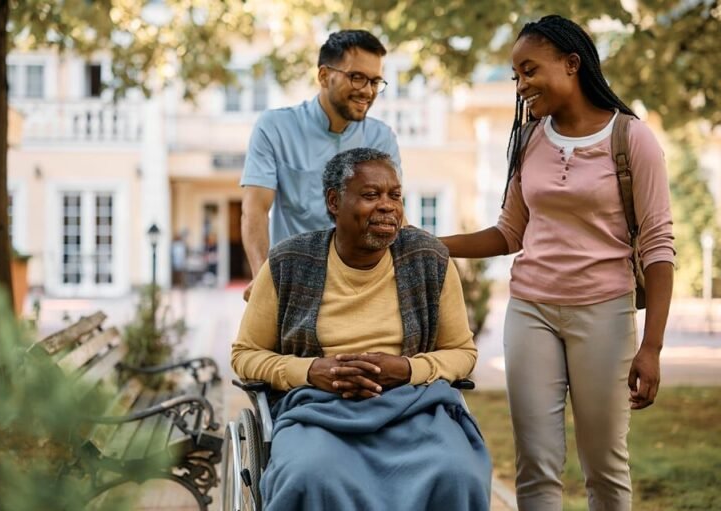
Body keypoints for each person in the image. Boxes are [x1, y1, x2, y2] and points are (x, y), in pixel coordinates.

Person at [440, 15, 674, 511]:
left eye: (530, 71)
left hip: (604, 313)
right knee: (536, 463)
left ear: (572, 64)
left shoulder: (632, 138)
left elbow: (658, 247)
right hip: (531, 311)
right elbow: (509, 233)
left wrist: (651, 347)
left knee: (604, 464)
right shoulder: (529, 140)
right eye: (516, 76)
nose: (520, 85)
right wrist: (432, 244)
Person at [232, 148, 491, 511]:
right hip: (317, 411)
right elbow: (245, 355)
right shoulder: (288, 262)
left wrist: (407, 369)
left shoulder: (429, 260)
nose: (388, 206)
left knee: (457, 471)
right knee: (308, 474)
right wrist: (311, 371)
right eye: (371, 195)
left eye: (395, 195)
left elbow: (462, 352)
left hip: (413, 407)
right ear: (334, 201)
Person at [240, 29, 401, 300]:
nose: (367, 90)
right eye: (357, 77)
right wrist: (262, 278)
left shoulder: (381, 138)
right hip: (294, 285)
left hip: (362, 288)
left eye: (375, 81)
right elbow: (255, 209)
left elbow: (392, 215)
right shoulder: (274, 128)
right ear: (324, 76)